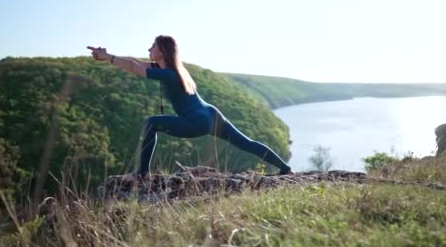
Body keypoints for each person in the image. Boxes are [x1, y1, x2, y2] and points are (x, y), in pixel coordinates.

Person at [87, 35, 293, 180]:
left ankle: (141, 174)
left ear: (162, 51)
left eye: (152, 46)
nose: (149, 49)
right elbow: (135, 62)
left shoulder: (169, 73)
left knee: (151, 123)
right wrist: (109, 56)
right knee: (247, 143)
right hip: (211, 114)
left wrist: (107, 57)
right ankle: (285, 168)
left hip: (196, 120)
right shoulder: (177, 69)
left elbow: (134, 67)